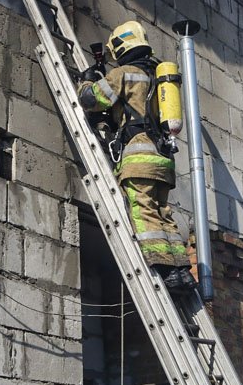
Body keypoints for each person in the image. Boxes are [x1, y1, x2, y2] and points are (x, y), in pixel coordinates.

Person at [78, 21, 195, 292]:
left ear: (120, 47)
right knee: (163, 213)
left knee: (143, 211)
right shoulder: (158, 76)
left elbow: (92, 100)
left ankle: (165, 270)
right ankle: (182, 270)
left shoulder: (124, 74)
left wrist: (87, 79)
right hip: (164, 160)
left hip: (138, 157)